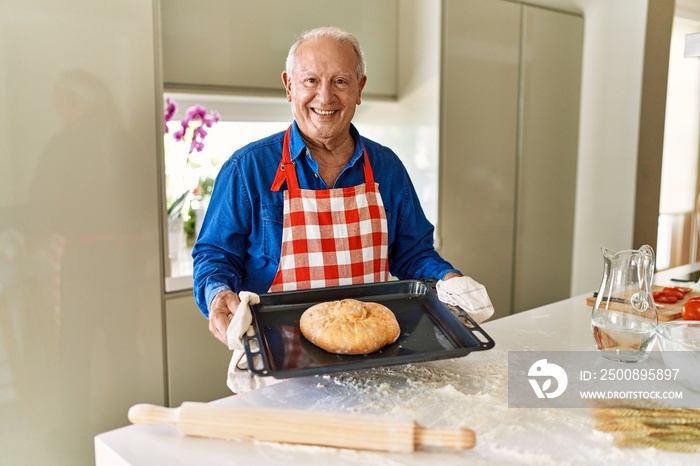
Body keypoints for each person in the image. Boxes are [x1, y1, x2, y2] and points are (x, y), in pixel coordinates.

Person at [192, 27, 493, 349]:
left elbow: (412, 252)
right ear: (289, 86)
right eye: (310, 80)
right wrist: (218, 292)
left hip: (372, 349)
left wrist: (449, 280)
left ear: (359, 89)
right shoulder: (248, 167)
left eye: (340, 81)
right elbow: (216, 254)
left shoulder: (386, 166)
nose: (325, 97)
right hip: (275, 349)